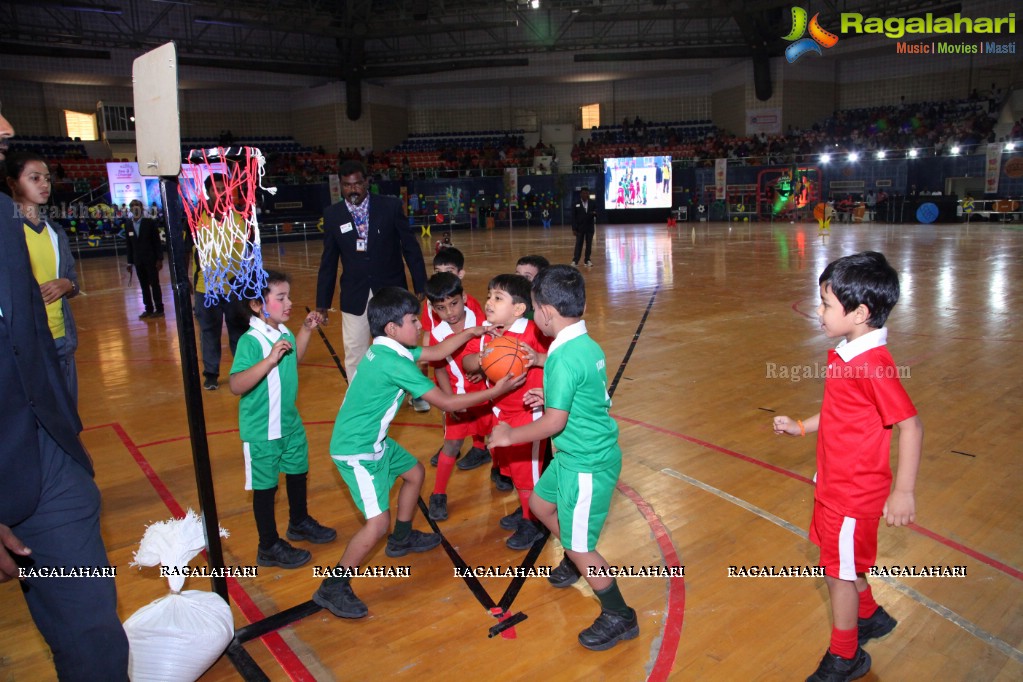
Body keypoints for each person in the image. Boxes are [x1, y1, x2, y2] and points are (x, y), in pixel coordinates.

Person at [0, 110, 130, 680]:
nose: (5, 146)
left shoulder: (26, 230)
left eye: (8, 139)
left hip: (44, 432)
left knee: (92, 625)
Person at [312, 287, 522, 618]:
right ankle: (334, 586)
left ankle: (403, 538)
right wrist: (495, 391)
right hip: (357, 451)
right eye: (413, 320)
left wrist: (472, 331)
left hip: (372, 440)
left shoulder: (386, 349)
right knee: (376, 523)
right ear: (394, 328)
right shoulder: (395, 363)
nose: (420, 325)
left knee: (414, 472)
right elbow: (449, 402)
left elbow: (436, 351)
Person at [772, 251, 923, 682]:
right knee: (841, 561)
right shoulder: (846, 354)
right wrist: (803, 427)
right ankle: (871, 616)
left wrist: (904, 491)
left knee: (838, 573)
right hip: (833, 482)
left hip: (854, 492)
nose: (818, 313)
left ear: (859, 313)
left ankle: (846, 655)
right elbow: (840, 413)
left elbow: (910, 426)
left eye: (825, 304)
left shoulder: (873, 365)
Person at [489, 264, 639, 651]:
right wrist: (552, 396)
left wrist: (509, 435)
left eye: (535, 307)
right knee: (540, 505)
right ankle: (574, 558)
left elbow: (553, 424)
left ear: (546, 313)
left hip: (586, 463)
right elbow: (579, 395)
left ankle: (619, 614)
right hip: (574, 457)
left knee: (581, 545)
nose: (536, 314)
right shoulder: (583, 345)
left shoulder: (562, 356)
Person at [229, 270, 337, 569]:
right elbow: (237, 384)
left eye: (288, 296)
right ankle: (268, 546)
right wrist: (269, 360)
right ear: (256, 305)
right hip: (262, 430)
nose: (289, 302)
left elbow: (295, 358)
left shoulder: (282, 332)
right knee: (266, 488)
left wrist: (304, 330)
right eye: (281, 298)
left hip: (289, 423)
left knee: (297, 472)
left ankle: (299, 521)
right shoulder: (251, 341)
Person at [315, 159, 427, 382]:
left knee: (402, 346)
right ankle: (356, 398)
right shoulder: (333, 215)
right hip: (355, 293)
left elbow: (410, 247)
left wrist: (421, 284)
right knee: (354, 350)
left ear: (366, 182)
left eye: (357, 184)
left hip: (391, 291)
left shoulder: (390, 206)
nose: (352, 189)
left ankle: (415, 392)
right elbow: (328, 260)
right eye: (347, 185)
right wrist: (322, 303)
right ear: (341, 186)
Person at [463, 274, 550, 550]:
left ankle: (534, 522)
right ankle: (527, 509)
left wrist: (538, 360)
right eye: (489, 295)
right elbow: (467, 361)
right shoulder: (488, 330)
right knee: (513, 473)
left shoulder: (534, 331)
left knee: (527, 476)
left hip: (528, 414)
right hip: (501, 413)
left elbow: (562, 359)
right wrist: (480, 360)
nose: (489, 302)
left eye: (498, 298)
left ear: (519, 309)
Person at [5, 151, 81, 405]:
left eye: (47, 178)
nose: (44, 184)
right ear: (12, 183)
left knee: (69, 416)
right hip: (26, 345)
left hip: (61, 340)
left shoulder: (55, 232)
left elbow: (73, 281)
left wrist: (67, 284)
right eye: (34, 178)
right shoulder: (8, 233)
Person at [423, 272, 493, 521]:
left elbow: (495, 351)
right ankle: (438, 493)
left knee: (496, 435)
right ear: (433, 309)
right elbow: (439, 367)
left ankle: (501, 472)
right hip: (458, 395)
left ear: (464, 297)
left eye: (454, 304)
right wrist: (448, 399)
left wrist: (484, 369)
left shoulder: (483, 320)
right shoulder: (439, 334)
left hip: (487, 392)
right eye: (441, 308)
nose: (450, 312)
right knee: (452, 444)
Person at [423, 246, 488, 466]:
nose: (442, 275)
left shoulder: (470, 306)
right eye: (437, 270)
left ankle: (480, 446)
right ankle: (452, 442)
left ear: (460, 274)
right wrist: (427, 362)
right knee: (452, 410)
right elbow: (427, 335)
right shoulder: (430, 306)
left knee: (477, 411)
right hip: (445, 364)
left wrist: (481, 368)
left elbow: (482, 338)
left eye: (448, 271)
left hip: (471, 369)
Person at [189, 173, 250, 391]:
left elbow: (249, 252)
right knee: (209, 332)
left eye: (224, 188)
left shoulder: (241, 216)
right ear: (208, 192)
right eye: (215, 188)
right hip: (206, 288)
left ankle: (243, 371)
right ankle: (211, 374)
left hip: (235, 287)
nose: (221, 192)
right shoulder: (196, 218)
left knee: (239, 331)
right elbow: (186, 250)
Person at [125, 199, 165, 319]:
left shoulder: (149, 222)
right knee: (143, 286)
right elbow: (129, 245)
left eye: (137, 205)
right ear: (130, 209)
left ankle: (159, 309)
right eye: (132, 205)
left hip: (151, 259)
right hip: (138, 261)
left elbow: (157, 242)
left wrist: (159, 259)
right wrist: (129, 262)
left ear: (141, 208)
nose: (134, 207)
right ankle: (148, 309)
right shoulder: (128, 224)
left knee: (154, 284)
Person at [571, 187, 597, 267]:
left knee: (589, 245)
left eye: (586, 193)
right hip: (579, 228)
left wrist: (593, 213)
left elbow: (596, 213)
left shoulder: (593, 203)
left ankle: (587, 260)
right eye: (583, 193)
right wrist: (574, 228)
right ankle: (575, 261)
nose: (585, 195)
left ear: (588, 194)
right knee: (578, 244)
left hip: (589, 228)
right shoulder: (576, 204)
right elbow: (573, 217)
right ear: (581, 194)